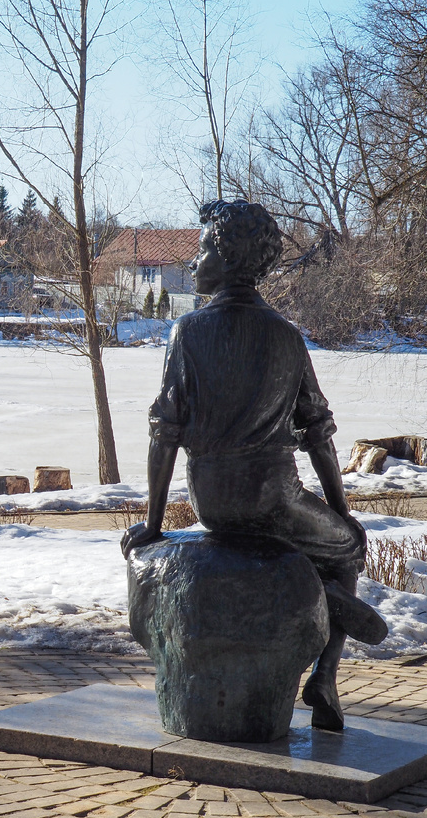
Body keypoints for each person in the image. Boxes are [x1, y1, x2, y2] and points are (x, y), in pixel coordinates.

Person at [120, 199, 387, 732]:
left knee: (319, 543)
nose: (194, 261)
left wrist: (153, 523)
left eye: (202, 250)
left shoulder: (187, 332)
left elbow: (164, 433)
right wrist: (343, 515)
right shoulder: (285, 335)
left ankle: (322, 601)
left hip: (213, 501)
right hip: (274, 500)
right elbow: (319, 435)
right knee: (345, 548)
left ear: (228, 256)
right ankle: (326, 670)